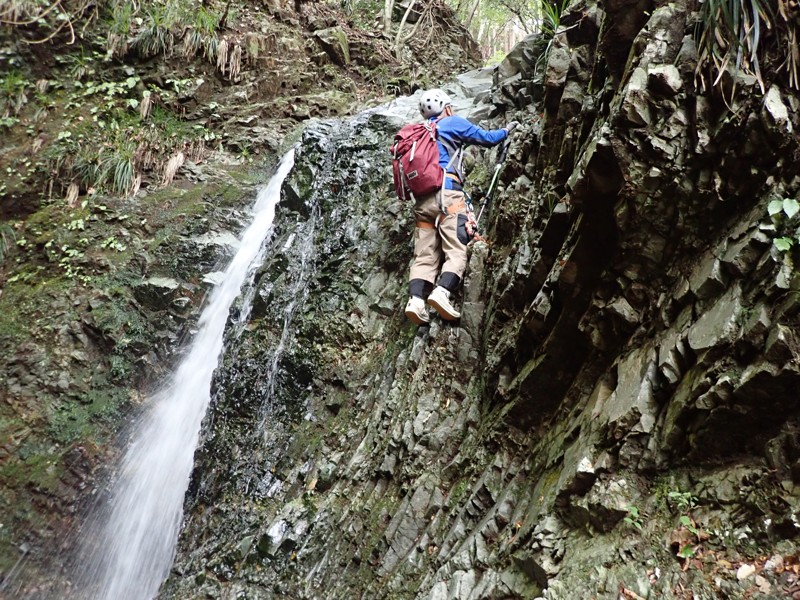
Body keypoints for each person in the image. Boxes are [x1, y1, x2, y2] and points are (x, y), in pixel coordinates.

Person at [404, 88, 518, 325]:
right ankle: (442, 292)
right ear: (446, 106)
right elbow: (488, 139)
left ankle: (415, 301)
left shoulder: (418, 134)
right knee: (457, 247)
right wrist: (508, 130)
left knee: (424, 255)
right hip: (448, 195)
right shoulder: (452, 122)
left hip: (422, 202)